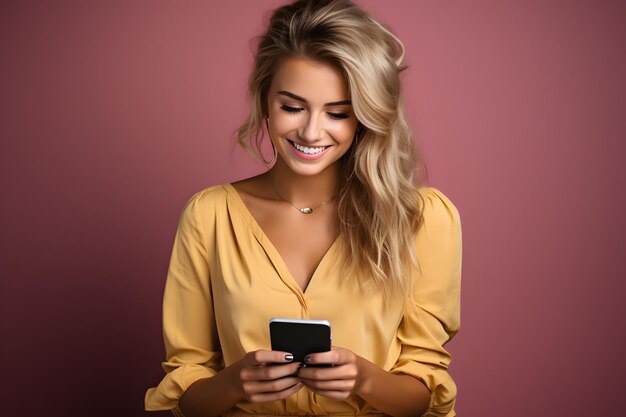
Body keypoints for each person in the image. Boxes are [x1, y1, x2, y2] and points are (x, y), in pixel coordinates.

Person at [145, 0, 462, 416]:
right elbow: (186, 393)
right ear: (264, 99)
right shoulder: (210, 216)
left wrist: (366, 378)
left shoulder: (422, 219)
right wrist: (235, 381)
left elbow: (425, 393)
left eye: (338, 113)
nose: (311, 131)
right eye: (292, 107)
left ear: (366, 117)